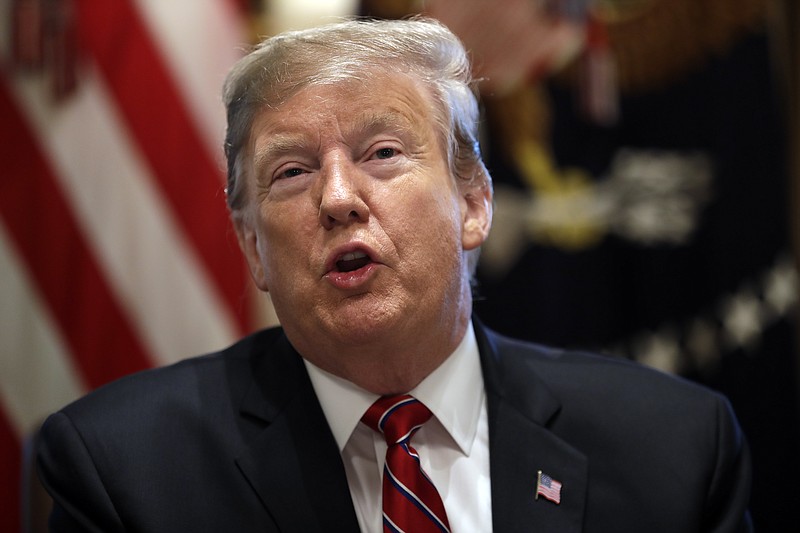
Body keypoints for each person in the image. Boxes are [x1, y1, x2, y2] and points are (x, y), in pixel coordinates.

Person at [36, 17, 752, 532]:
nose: (339, 197)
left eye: (381, 152)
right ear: (253, 247)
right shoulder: (124, 472)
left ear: (474, 202)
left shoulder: (673, 448)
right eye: (292, 171)